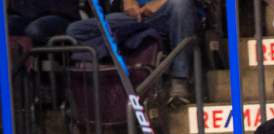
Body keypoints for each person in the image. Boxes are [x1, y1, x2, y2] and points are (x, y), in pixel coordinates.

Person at [66, 0, 198, 105]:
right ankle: (112, 63)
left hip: (168, 12)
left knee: (181, 3)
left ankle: (179, 79)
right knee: (75, 31)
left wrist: (161, 2)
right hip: (136, 16)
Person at [8, 1, 79, 45]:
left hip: (59, 14)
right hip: (27, 16)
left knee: (34, 30)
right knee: (6, 25)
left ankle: (51, 59)